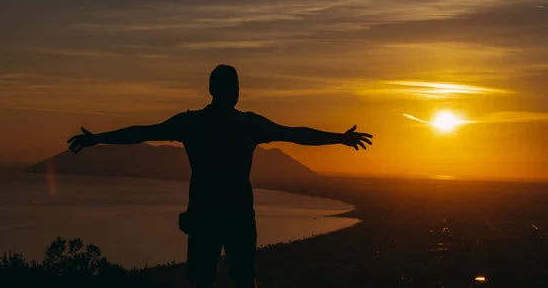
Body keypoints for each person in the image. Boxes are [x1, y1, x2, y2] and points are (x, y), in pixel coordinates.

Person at [67, 64, 373, 288]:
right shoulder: (246, 125)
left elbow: (143, 133)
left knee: (205, 282)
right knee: (242, 282)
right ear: (235, 92)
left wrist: (97, 139)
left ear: (212, 90)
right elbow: (294, 134)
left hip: (205, 214)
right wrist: (339, 139)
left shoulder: (193, 123)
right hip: (237, 215)